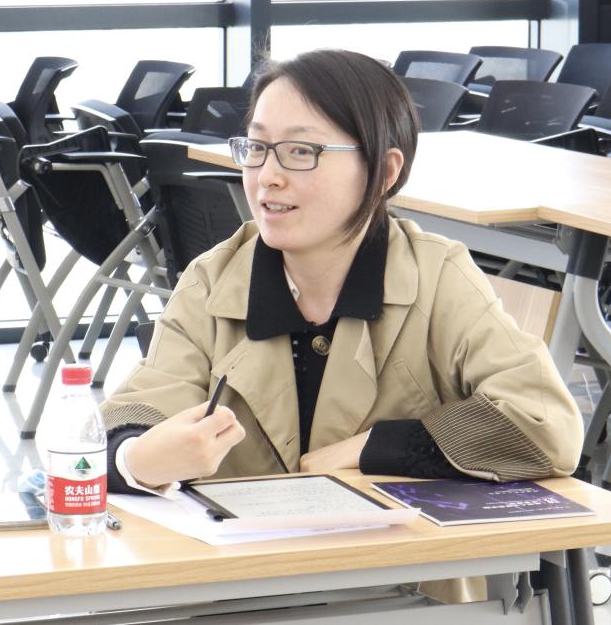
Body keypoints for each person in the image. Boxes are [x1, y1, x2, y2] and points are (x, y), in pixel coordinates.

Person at [100, 48, 583, 501]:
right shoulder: (214, 278)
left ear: (384, 171)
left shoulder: (437, 276)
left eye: (301, 151)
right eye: (257, 147)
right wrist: (136, 459)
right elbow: (128, 418)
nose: (267, 176)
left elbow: (545, 423)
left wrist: (377, 447)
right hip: (240, 560)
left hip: (395, 560)